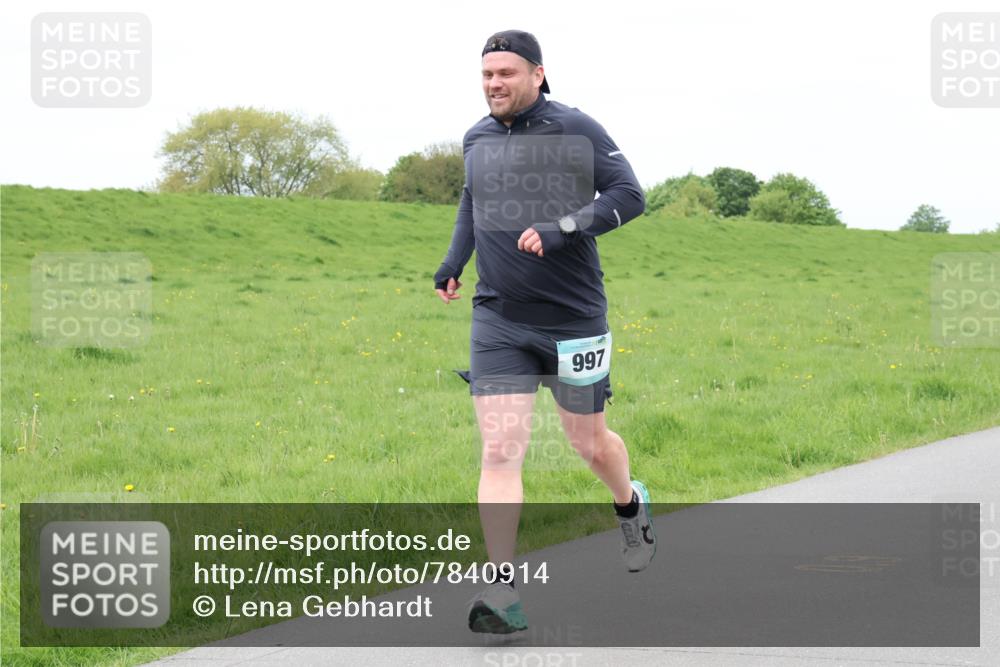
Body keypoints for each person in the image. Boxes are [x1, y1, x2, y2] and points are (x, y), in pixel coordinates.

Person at [433, 29, 655, 635]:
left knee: (589, 444)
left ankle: (629, 503)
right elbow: (470, 205)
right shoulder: (476, 137)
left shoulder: (574, 128)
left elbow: (630, 195)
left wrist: (564, 226)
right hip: (498, 317)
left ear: (537, 73)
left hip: (572, 321)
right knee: (501, 450)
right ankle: (503, 593)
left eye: (506, 73)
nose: (494, 84)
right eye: (486, 75)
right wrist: (454, 262)